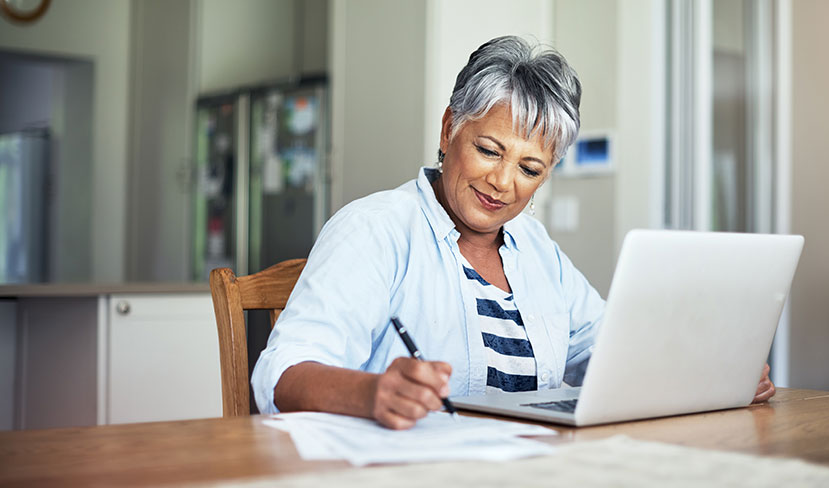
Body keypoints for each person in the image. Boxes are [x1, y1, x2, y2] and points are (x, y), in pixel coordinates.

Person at [251, 35, 775, 430]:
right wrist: (371, 393)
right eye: (488, 150)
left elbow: (607, 352)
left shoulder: (535, 246)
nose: (502, 184)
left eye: (530, 169)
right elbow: (281, 375)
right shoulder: (375, 230)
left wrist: (713, 372)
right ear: (448, 128)